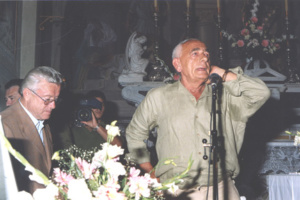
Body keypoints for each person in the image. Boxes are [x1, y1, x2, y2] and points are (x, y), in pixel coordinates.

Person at [125, 38, 271, 200]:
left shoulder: (226, 95)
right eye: (195, 54)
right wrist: (150, 172)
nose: (204, 58)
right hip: (177, 191)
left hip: (222, 188)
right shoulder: (159, 97)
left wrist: (223, 73)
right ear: (178, 64)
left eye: (206, 54)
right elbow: (134, 135)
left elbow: (261, 93)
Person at [0, 66, 63, 194]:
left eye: (55, 99)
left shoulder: (43, 122)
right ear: (28, 94)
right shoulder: (4, 125)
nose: (53, 106)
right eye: (47, 99)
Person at [58, 90, 122, 151]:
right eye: (95, 104)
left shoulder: (109, 129)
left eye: (101, 105)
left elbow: (118, 146)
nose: (98, 108)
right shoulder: (74, 127)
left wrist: (97, 127)